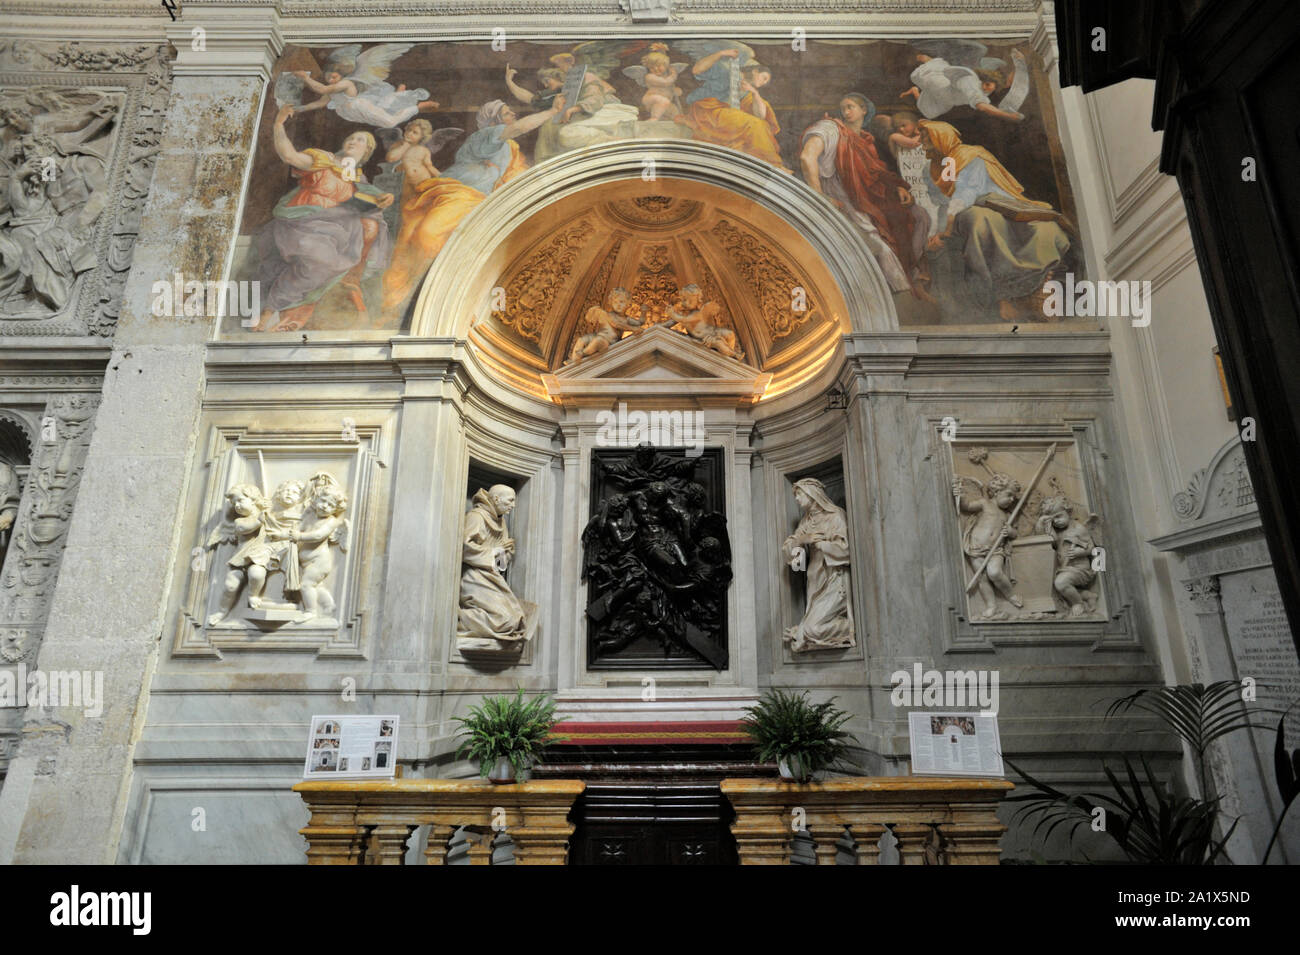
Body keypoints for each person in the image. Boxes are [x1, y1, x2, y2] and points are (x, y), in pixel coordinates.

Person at [379, 99, 561, 319]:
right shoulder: (486, 136)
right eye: (506, 112)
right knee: (421, 236)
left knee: (435, 237)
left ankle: (434, 293)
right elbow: (520, 127)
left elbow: (518, 177)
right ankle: (411, 297)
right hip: (455, 191)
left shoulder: (511, 149)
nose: (513, 113)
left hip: (475, 199)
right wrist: (552, 110)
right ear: (494, 120)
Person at [251, 107, 395, 331]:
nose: (353, 141)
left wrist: (384, 199)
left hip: (335, 231)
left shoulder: (357, 178)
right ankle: (269, 311)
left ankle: (276, 309)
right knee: (318, 262)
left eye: (360, 140)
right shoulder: (323, 159)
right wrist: (278, 125)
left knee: (324, 263)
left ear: (367, 151)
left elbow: (369, 201)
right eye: (351, 137)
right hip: (302, 223)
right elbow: (289, 155)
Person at [918, 119, 1072, 319]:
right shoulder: (929, 169)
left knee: (1044, 229)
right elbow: (940, 204)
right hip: (970, 212)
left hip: (999, 205)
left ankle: (1035, 286)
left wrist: (946, 230)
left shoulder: (969, 155)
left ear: (940, 137)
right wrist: (936, 234)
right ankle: (1001, 298)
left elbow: (966, 192)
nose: (921, 139)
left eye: (925, 135)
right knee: (977, 221)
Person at [801, 94, 933, 301]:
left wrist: (897, 187)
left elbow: (875, 173)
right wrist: (819, 198)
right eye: (843, 108)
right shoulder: (831, 128)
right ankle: (904, 294)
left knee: (919, 215)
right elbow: (807, 157)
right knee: (878, 242)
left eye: (851, 107)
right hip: (845, 198)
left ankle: (915, 278)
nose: (846, 112)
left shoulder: (865, 140)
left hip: (869, 196)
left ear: (864, 110)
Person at [458, 485, 538, 645]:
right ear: (496, 499)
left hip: (491, 576)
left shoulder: (501, 522)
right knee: (505, 619)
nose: (513, 505)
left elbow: (500, 564)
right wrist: (494, 551)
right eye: (510, 500)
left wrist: (506, 553)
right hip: (473, 576)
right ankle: (457, 617)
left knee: (516, 619)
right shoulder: (476, 516)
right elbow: (464, 548)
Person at [782, 478, 855, 651]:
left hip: (834, 578)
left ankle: (848, 626)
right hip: (814, 578)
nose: (797, 499)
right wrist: (801, 540)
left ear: (812, 494)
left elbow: (846, 550)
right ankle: (805, 631)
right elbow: (794, 559)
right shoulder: (806, 522)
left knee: (812, 628)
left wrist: (823, 545)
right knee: (813, 626)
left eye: (799, 494)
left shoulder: (835, 516)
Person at [685, 50, 787, 169]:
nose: (763, 83)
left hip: (724, 114)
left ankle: (764, 165)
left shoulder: (747, 90)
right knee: (754, 124)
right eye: (764, 78)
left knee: (761, 124)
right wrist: (720, 54)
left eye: (766, 82)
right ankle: (773, 165)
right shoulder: (727, 71)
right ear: (755, 71)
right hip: (706, 110)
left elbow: (761, 116)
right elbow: (696, 70)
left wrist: (755, 93)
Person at [953, 472, 1023, 617]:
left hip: (996, 549)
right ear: (997, 491)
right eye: (1009, 495)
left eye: (1013, 498)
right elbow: (967, 506)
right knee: (982, 578)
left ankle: (1010, 595)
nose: (1011, 500)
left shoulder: (1007, 516)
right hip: (976, 548)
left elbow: (1014, 534)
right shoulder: (985, 503)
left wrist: (1009, 531)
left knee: (995, 572)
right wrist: (959, 494)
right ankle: (991, 605)